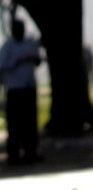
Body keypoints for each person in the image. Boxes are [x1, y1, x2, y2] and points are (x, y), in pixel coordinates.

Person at [2, 18, 41, 164]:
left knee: (30, 122)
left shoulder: (30, 44)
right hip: (14, 89)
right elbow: (3, 66)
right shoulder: (8, 47)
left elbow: (37, 60)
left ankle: (31, 151)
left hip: (29, 87)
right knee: (15, 124)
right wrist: (17, 61)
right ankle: (14, 154)